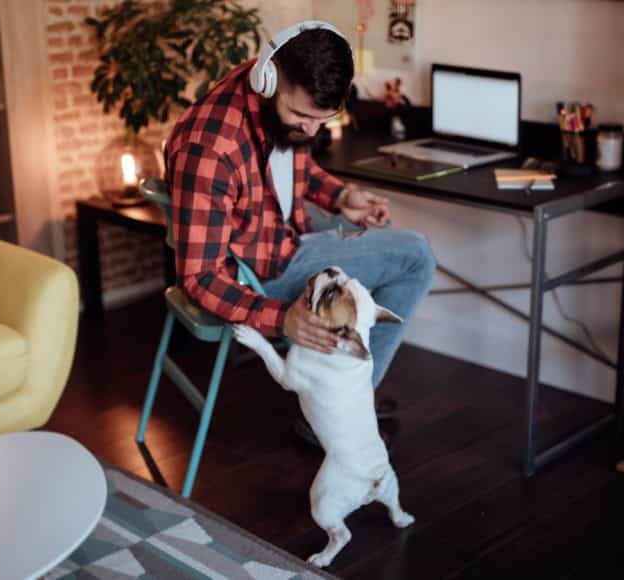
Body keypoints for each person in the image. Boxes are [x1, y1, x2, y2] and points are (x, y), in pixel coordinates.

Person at [164, 21, 435, 410]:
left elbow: (292, 164)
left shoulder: (274, 94)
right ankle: (345, 406)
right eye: (301, 116)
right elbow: (199, 277)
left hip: (278, 229)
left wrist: (341, 196)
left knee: (382, 231)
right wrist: (281, 318)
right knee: (416, 255)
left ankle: (332, 386)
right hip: (257, 274)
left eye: (322, 119)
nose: (310, 130)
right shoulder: (209, 149)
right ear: (269, 81)